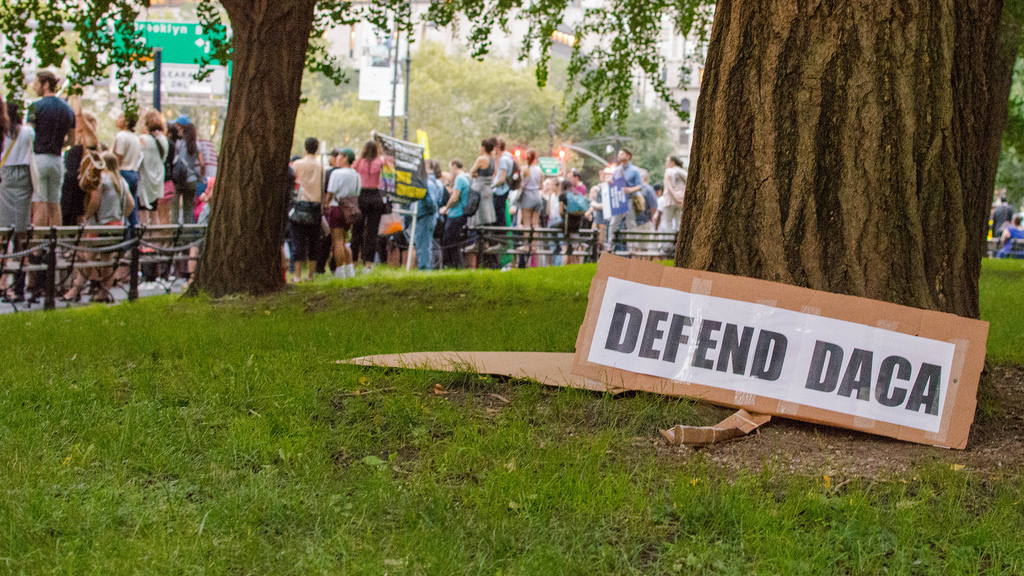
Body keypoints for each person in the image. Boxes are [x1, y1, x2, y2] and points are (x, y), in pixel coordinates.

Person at [62, 151, 134, 303]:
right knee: (107, 259)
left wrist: (87, 217)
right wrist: (120, 216)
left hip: (100, 227)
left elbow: (94, 201)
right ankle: (103, 292)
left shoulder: (102, 179)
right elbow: (131, 204)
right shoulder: (122, 182)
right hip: (116, 228)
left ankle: (76, 289)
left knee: (87, 258)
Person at [26, 70, 75, 228]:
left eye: (36, 84)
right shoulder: (67, 109)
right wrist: (61, 145)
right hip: (57, 159)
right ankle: (56, 245)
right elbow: (72, 139)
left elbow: (29, 134)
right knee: (55, 204)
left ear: (45, 85)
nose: (34, 87)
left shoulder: (35, 107)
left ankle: (38, 246)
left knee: (40, 203)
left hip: (39, 158)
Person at [0, 101, 36, 302]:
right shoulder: (28, 132)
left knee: (3, 235)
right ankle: (19, 286)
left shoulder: (4, 132)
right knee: (20, 237)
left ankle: (2, 283)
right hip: (24, 178)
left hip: (6, 176)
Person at [290, 137, 325, 283]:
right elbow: (323, 187)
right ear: (316, 149)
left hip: (300, 205)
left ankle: (297, 275)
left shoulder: (297, 164)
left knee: (297, 241)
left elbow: (293, 183)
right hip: (315, 206)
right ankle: (310, 275)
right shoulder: (320, 166)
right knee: (313, 242)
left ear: (305, 148)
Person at [325, 147, 361, 279]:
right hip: (349, 211)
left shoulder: (337, 174)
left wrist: (326, 205)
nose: (337, 158)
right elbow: (357, 193)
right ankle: (350, 269)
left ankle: (340, 271)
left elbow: (330, 193)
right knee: (345, 240)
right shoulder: (356, 175)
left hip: (336, 208)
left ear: (346, 158)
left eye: (340, 156)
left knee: (337, 241)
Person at [408, 159, 442, 270]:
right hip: (429, 216)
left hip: (425, 216)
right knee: (425, 244)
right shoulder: (437, 182)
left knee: (423, 245)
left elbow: (431, 202)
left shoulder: (427, 182)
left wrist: (427, 211)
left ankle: (424, 269)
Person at [136, 110, 168, 227]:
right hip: (158, 178)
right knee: (154, 213)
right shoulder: (163, 139)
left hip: (145, 179)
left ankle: (144, 243)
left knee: (143, 212)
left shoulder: (143, 139)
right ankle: (155, 242)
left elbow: (138, 158)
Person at [607, 148, 643, 247]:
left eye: (622, 154)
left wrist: (630, 190)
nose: (619, 156)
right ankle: (610, 245)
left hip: (629, 200)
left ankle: (632, 247)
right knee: (613, 223)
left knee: (630, 223)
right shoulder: (617, 170)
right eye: (619, 154)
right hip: (618, 201)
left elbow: (640, 186)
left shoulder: (635, 170)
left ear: (628, 156)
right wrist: (610, 182)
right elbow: (613, 184)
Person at [112, 110, 142, 227]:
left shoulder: (121, 136)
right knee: (132, 208)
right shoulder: (135, 137)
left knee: (121, 208)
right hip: (134, 173)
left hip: (123, 173)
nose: (117, 119)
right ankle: (135, 236)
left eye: (120, 116)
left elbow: (118, 157)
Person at [171, 122, 204, 225]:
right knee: (188, 210)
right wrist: (201, 174)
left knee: (175, 210)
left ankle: (174, 235)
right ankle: (187, 237)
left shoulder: (179, 144)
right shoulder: (196, 145)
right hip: (192, 180)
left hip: (179, 179)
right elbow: (202, 163)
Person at [440, 158, 470, 269]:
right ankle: (456, 265)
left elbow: (455, 197)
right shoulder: (467, 177)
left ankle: (451, 265)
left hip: (455, 214)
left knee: (449, 241)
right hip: (460, 213)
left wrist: (446, 208)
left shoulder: (460, 179)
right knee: (455, 242)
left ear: (454, 166)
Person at [515, 149, 543, 256]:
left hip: (527, 196)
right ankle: (534, 245)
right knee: (535, 223)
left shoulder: (525, 169)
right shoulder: (539, 171)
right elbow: (541, 186)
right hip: (537, 196)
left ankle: (527, 245)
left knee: (526, 222)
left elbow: (521, 184)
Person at [469, 137, 497, 227]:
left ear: (483, 147)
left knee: (480, 218)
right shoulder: (492, 159)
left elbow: (471, 172)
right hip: (488, 189)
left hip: (480, 190)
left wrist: (476, 176)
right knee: (487, 217)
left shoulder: (482, 159)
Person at [491, 138, 514, 227]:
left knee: (499, 215)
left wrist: (493, 186)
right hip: (503, 189)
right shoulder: (508, 158)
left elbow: (502, 178)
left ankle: (500, 236)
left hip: (500, 191)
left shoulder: (504, 159)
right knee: (500, 213)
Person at [662, 155, 686, 233]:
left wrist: (675, 198)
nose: (666, 164)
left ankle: (669, 243)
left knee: (668, 223)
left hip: (670, 200)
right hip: (681, 201)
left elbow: (669, 187)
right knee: (678, 223)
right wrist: (681, 199)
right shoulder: (684, 172)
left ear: (672, 163)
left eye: (667, 161)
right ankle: (677, 243)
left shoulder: (669, 171)